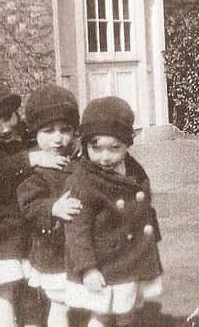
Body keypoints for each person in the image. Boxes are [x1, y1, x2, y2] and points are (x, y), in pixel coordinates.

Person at [0, 77, 68, 327]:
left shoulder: (25, 138)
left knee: (33, 288)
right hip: (1, 234)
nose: (5, 128)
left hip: (27, 231)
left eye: (8, 118)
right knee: (5, 290)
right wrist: (33, 159)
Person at [63, 97, 164, 327]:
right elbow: (77, 230)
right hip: (103, 261)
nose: (105, 157)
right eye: (95, 148)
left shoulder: (133, 169)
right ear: (86, 145)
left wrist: (150, 243)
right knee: (101, 314)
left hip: (131, 256)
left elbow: (142, 205)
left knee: (126, 312)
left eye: (114, 148)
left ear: (127, 144)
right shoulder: (82, 181)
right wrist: (87, 268)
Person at [17, 84, 83, 327]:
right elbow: (28, 204)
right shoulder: (36, 167)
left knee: (73, 302)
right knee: (58, 303)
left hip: (76, 246)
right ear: (35, 133)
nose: (58, 138)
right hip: (51, 248)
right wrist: (51, 208)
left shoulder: (78, 159)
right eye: (48, 130)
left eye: (65, 130)